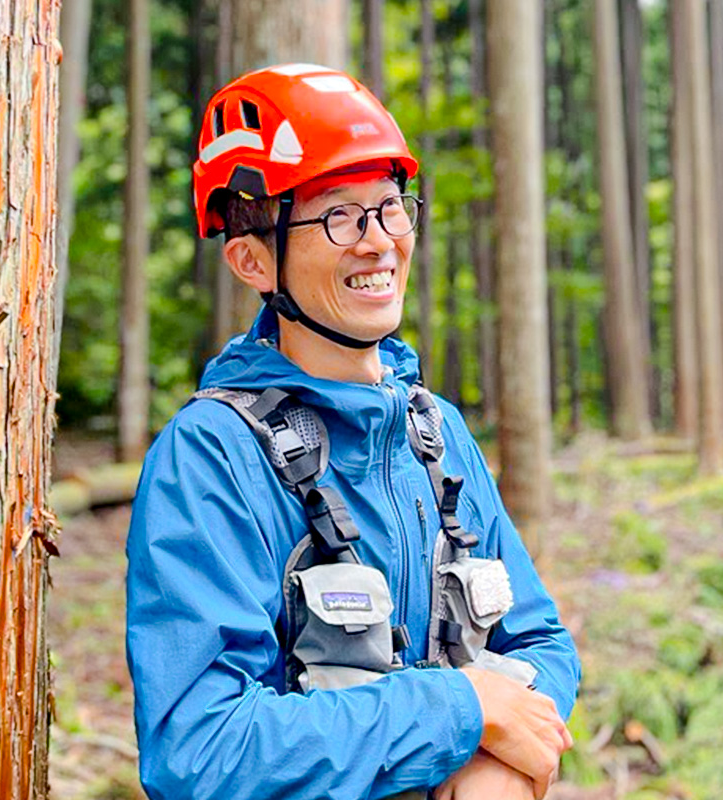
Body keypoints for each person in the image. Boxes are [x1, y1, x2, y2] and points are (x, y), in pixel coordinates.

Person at [126, 63, 580, 800]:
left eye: (390, 206)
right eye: (338, 214)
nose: (378, 241)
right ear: (251, 260)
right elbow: (199, 751)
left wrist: (496, 758)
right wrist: (461, 714)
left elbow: (540, 643)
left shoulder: (435, 433)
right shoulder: (210, 457)